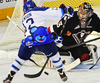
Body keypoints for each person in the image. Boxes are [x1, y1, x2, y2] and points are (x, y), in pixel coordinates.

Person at [3, 0, 74, 83]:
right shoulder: (37, 10)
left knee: (20, 59)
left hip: (29, 43)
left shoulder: (24, 19)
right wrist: (64, 10)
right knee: (55, 55)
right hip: (45, 42)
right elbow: (57, 13)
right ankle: (61, 72)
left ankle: (10, 76)